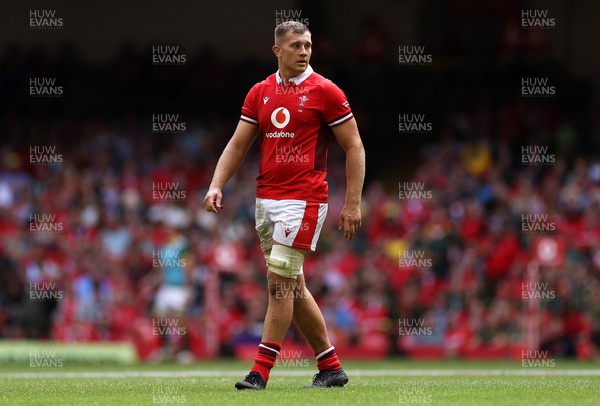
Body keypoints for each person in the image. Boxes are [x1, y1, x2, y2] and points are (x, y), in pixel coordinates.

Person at [203, 21, 365, 390]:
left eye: (308, 45)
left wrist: (352, 203)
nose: (304, 51)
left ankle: (259, 372)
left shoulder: (326, 91)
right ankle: (331, 367)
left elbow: (354, 146)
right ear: (277, 50)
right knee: (292, 286)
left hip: (305, 200)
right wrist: (216, 185)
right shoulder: (259, 92)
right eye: (295, 45)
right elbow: (238, 144)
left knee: (278, 284)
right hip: (267, 201)